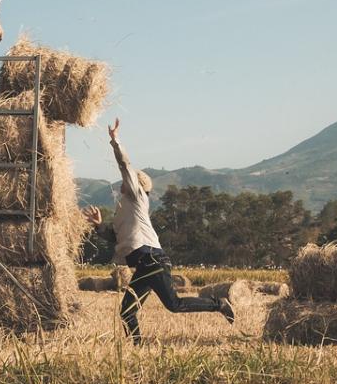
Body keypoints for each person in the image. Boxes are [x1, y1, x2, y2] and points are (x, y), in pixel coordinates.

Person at [83, 119, 235, 343]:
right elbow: (116, 238)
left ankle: (219, 304)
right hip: (145, 263)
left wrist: (115, 142)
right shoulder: (124, 209)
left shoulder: (136, 198)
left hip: (151, 259)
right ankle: (138, 345)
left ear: (137, 185)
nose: (123, 182)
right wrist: (98, 225)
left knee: (174, 305)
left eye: (129, 180)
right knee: (127, 310)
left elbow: (125, 166)